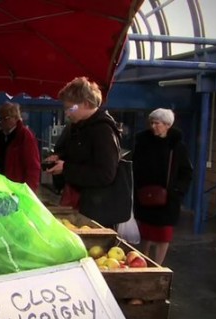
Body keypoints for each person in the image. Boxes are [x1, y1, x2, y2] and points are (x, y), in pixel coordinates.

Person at [46, 77, 121, 226]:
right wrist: (59, 157)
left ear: (87, 103)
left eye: (71, 108)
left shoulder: (103, 130)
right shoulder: (77, 127)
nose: (67, 113)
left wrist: (66, 168)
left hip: (94, 211)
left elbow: (106, 174)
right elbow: (78, 155)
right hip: (79, 203)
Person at [133, 108, 193, 265]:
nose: (153, 126)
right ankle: (142, 263)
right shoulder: (142, 143)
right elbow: (134, 166)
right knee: (145, 234)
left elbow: (186, 172)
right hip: (145, 196)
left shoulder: (177, 147)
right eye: (151, 122)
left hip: (168, 199)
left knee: (163, 235)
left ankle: (157, 266)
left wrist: (177, 191)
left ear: (167, 125)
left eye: (157, 123)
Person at [0, 101, 40, 191]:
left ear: (15, 118)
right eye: (0, 118)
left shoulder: (25, 135)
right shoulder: (3, 135)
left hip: (17, 188)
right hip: (3, 186)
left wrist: (29, 191)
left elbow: (33, 165)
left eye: (5, 118)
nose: (1, 122)